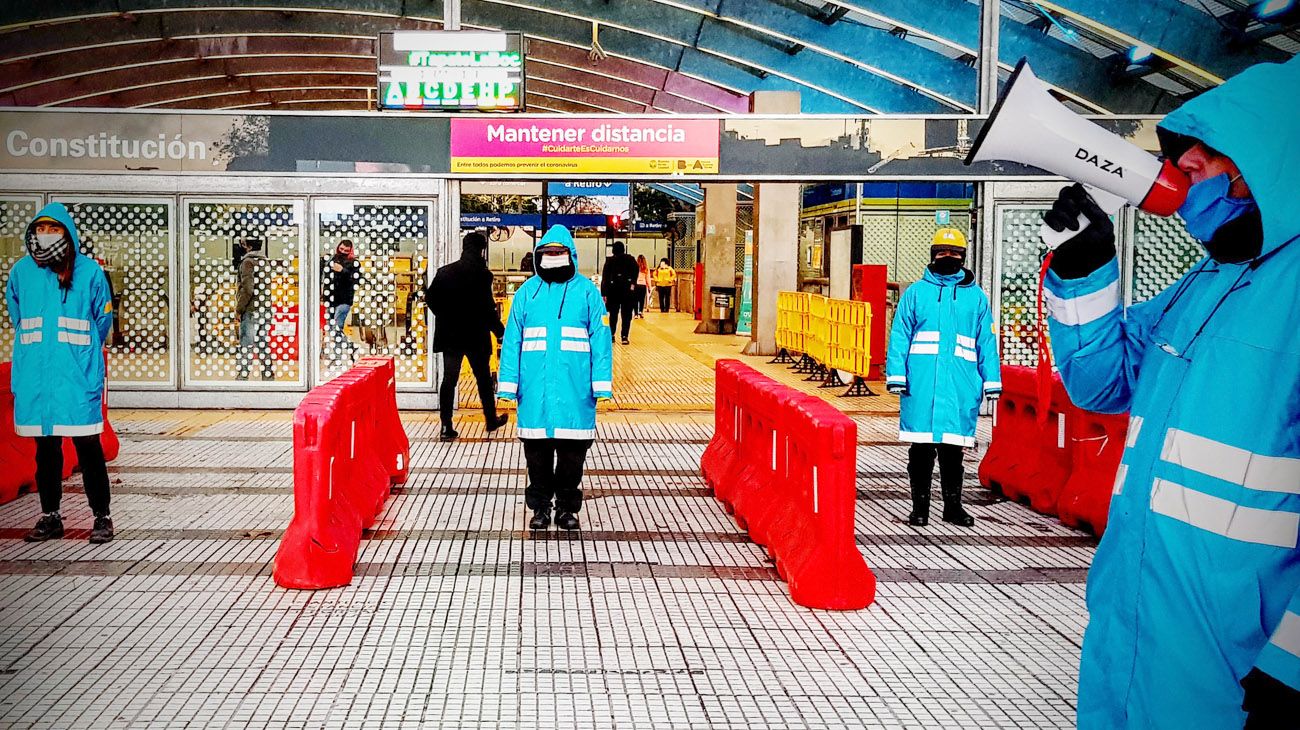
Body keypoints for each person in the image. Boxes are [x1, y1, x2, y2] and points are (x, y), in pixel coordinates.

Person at [1040, 57, 1300, 729]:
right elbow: (1103, 381)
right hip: (1135, 639)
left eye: (1204, 159)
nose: (1183, 172)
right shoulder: (1209, 278)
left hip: (1237, 669)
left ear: (1270, 159)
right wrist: (1083, 268)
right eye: (1180, 157)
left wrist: (1291, 667)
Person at [6, 203, 115, 544]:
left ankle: (102, 517)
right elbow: (18, 316)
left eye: (53, 230)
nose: (46, 235)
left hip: (76, 377)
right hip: (39, 379)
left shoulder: (89, 273)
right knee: (46, 451)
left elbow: (103, 320)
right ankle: (50, 517)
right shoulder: (22, 272)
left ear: (67, 233)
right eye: (41, 229)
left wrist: (82, 359)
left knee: (89, 448)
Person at [497, 225, 612, 531]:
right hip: (535, 394)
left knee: (573, 457)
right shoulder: (526, 293)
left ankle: (567, 509)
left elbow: (601, 339)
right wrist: (507, 386)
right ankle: (540, 509)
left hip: (576, 394)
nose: (553, 258)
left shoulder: (587, 292)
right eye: (547, 253)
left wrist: (601, 384)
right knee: (537, 457)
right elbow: (512, 341)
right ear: (539, 257)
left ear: (570, 255)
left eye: (558, 253)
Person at [885, 228, 1000, 528]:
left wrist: (992, 381)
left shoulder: (976, 298)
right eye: (942, 253)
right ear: (933, 255)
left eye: (954, 254)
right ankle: (919, 509)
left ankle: (953, 507)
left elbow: (986, 341)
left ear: (963, 257)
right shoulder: (916, 294)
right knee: (920, 451)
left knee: (953, 453)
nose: (948, 258)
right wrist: (896, 375)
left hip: (959, 387)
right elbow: (899, 336)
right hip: (921, 387)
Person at [426, 232, 509, 442]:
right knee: (482, 379)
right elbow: (487, 308)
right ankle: (490, 420)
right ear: (482, 249)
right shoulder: (482, 274)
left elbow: (431, 298)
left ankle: (446, 425)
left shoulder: (445, 272)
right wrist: (500, 332)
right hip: (476, 335)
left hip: (451, 335)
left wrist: (445, 316)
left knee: (449, 379)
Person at [235, 237, 274, 381]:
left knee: (246, 344)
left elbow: (247, 289)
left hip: (251, 309)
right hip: (265, 308)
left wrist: (239, 309)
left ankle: (243, 375)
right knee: (263, 343)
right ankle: (268, 375)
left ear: (248, 246)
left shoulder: (248, 262)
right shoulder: (266, 262)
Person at [324, 239, 360, 363]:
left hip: (344, 300)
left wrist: (342, 271)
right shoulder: (331, 260)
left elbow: (356, 279)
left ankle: (340, 355)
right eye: (341, 249)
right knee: (332, 329)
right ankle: (348, 348)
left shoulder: (354, 263)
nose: (343, 252)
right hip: (330, 299)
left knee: (336, 328)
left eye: (346, 250)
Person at [600, 241, 638, 344]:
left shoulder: (610, 261)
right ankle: (624, 336)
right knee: (626, 315)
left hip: (613, 291)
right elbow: (635, 272)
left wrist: (604, 293)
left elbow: (605, 278)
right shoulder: (630, 260)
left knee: (613, 314)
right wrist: (633, 284)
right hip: (627, 291)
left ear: (613, 250)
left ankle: (611, 335)